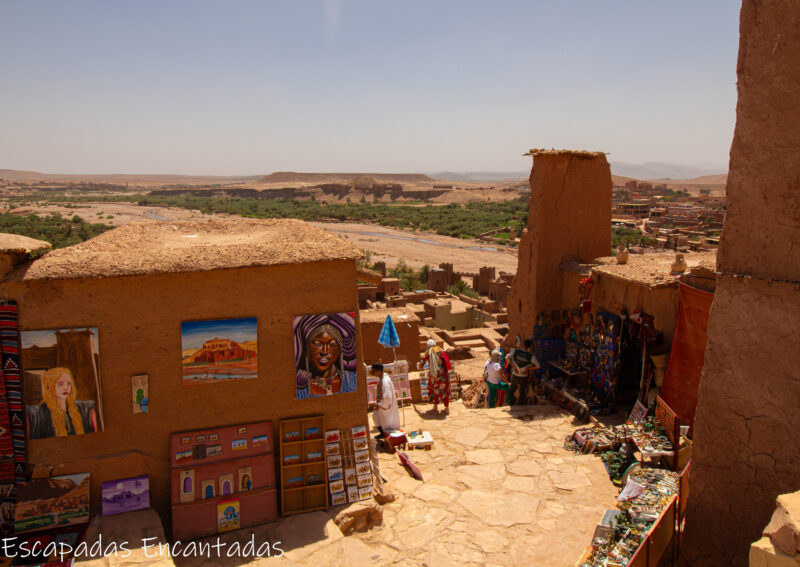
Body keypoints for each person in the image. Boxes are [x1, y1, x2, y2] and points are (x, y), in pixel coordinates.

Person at [294, 313, 358, 399]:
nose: (324, 351)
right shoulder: (300, 386)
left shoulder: (352, 379)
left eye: (332, 344)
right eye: (317, 343)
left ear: (339, 349)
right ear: (306, 347)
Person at [27, 367, 96, 439]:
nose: (66, 388)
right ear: (48, 386)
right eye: (60, 384)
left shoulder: (85, 408)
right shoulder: (36, 413)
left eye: (69, 384)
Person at [420, 339, 451, 413]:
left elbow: (422, 364)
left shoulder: (429, 353)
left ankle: (435, 406)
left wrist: (419, 365)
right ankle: (447, 408)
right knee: (444, 391)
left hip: (434, 376)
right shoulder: (441, 351)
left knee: (435, 390)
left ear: (428, 346)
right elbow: (447, 362)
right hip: (443, 376)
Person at [506, 338, 540, 405]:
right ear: (529, 347)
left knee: (511, 390)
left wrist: (514, 366)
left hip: (515, 374)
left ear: (523, 344)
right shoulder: (531, 356)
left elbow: (507, 357)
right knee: (522, 392)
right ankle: (520, 407)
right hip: (524, 376)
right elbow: (538, 366)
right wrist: (528, 369)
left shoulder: (516, 351)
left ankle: (511, 404)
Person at [371, 363, 400, 437]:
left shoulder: (385, 381)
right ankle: (383, 433)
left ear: (378, 371)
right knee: (376, 417)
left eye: (374, 371)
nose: (373, 373)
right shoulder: (382, 379)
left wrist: (380, 405)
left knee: (386, 422)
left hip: (385, 406)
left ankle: (385, 434)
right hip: (382, 404)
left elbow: (387, 397)